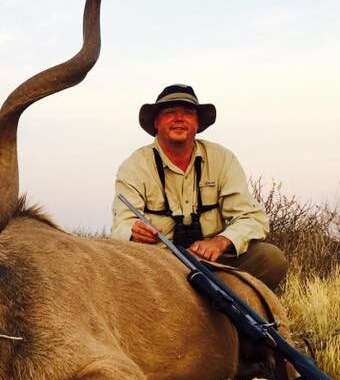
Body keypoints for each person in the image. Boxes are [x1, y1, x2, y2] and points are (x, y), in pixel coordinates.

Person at [111, 84, 287, 290]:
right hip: (159, 265)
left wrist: (220, 242)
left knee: (271, 258)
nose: (179, 118)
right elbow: (121, 225)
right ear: (156, 122)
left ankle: (228, 311)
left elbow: (253, 217)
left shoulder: (222, 159)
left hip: (214, 261)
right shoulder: (134, 165)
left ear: (197, 123)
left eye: (188, 112)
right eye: (169, 112)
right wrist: (133, 232)